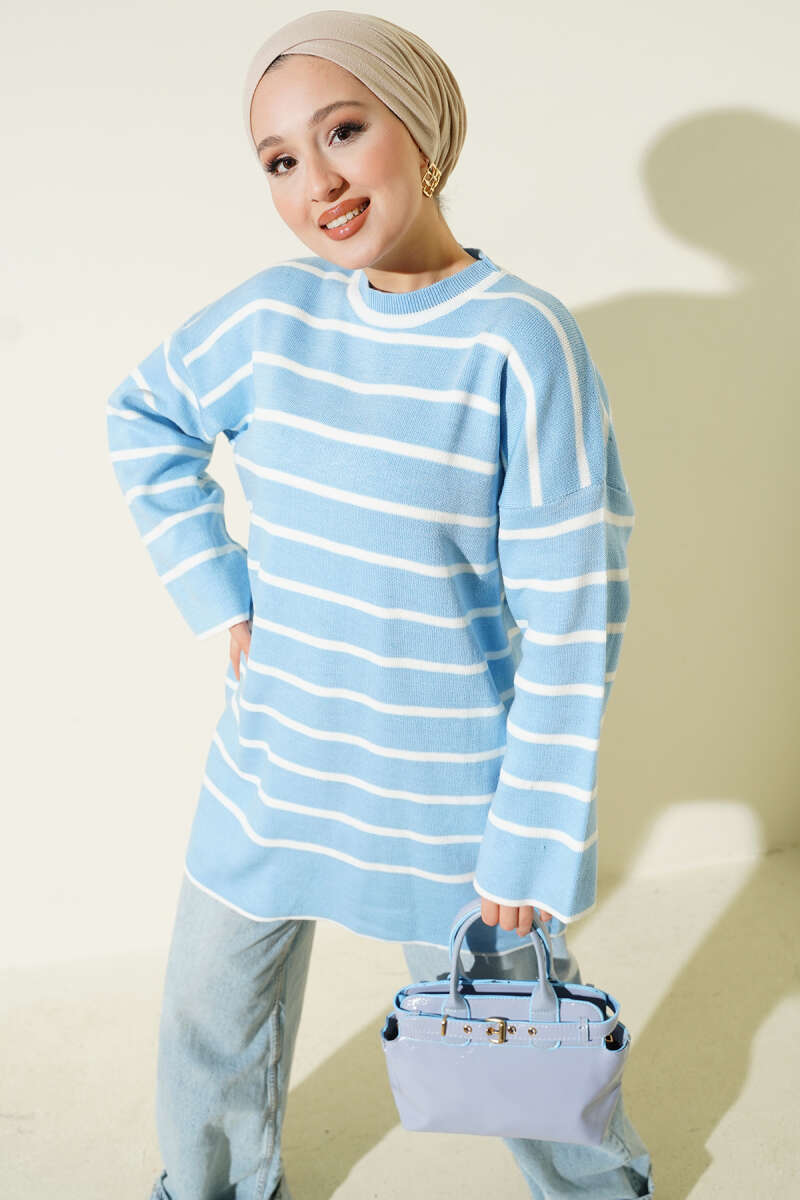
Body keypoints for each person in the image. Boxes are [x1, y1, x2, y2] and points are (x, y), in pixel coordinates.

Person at [106, 10, 655, 1199]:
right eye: (278, 159)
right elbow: (142, 417)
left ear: (423, 128)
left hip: (448, 800)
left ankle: (595, 1190)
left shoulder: (519, 340)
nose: (317, 181)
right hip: (270, 766)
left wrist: (528, 834)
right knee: (207, 1022)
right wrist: (218, 594)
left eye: (342, 131)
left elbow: (573, 612)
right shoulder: (269, 318)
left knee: (514, 1043)